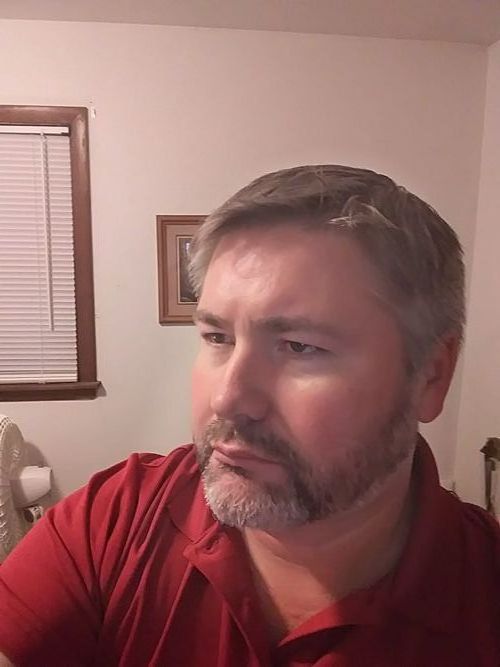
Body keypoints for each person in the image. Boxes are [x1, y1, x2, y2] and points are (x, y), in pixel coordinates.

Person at [0, 165, 499, 666]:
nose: (228, 399)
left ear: (431, 376)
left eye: (300, 346)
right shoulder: (115, 520)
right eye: (217, 337)